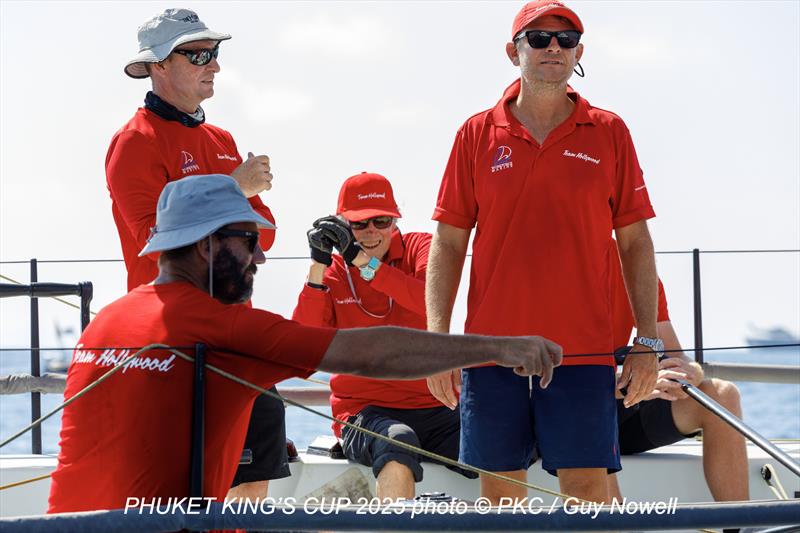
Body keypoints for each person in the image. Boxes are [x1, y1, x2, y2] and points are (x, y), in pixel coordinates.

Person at [47, 174, 563, 513]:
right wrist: (499, 347)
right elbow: (369, 352)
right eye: (250, 242)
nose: (261, 260)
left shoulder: (105, 321)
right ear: (206, 245)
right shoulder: (219, 327)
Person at [425, 0, 661, 504]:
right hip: (491, 350)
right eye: (538, 38)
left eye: (566, 37)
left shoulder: (610, 130)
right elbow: (447, 242)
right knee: (502, 495)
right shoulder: (475, 133)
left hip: (584, 347)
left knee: (587, 492)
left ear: (579, 52)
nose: (553, 47)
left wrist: (647, 342)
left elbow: (635, 241)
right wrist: (437, 344)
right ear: (514, 52)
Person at [105, 8, 281, 501]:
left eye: (215, 53)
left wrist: (227, 203)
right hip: (172, 346)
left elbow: (265, 235)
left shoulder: (221, 139)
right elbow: (151, 244)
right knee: (181, 499)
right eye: (199, 54)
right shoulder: (132, 143)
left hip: (235, 342)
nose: (215, 66)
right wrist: (233, 188)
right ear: (158, 64)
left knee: (249, 496)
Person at [293, 172, 476, 501]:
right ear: (344, 226)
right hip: (365, 411)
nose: (372, 231)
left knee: (499, 446)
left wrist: (364, 263)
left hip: (439, 406)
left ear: (395, 220)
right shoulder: (334, 272)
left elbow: (429, 300)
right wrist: (318, 266)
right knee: (398, 440)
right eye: (360, 224)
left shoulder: (421, 246)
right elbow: (302, 347)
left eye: (381, 220)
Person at [608, 248, 749, 501]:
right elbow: (549, 382)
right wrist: (631, 385)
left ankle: (738, 527)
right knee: (589, 413)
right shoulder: (552, 270)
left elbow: (679, 356)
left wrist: (689, 374)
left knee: (722, 394)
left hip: (620, 409)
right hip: (566, 413)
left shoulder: (637, 271)